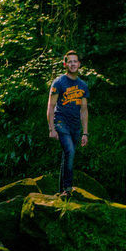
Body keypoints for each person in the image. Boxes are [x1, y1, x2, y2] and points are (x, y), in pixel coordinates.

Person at [46, 50, 89, 197]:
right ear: (65, 64)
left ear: (79, 64)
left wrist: (85, 132)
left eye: (75, 61)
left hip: (75, 126)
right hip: (61, 122)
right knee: (70, 151)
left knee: (67, 155)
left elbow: (84, 109)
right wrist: (51, 128)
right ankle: (68, 188)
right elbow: (51, 106)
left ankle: (61, 191)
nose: (72, 64)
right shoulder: (58, 83)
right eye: (69, 61)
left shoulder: (83, 85)